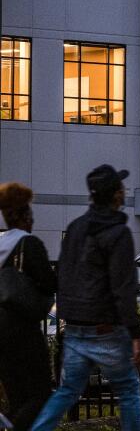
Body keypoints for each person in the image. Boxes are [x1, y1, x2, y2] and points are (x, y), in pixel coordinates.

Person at [32, 165, 140, 431]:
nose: (125, 191)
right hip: (106, 328)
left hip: (74, 328)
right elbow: (123, 288)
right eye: (121, 188)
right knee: (129, 389)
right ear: (116, 195)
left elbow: (63, 275)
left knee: (67, 391)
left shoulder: (75, 228)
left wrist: (68, 316)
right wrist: (136, 335)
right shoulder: (119, 234)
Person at [0, 182, 57, 431]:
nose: (32, 221)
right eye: (31, 216)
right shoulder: (29, 244)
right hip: (22, 329)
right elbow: (48, 283)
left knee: (17, 395)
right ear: (24, 217)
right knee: (40, 393)